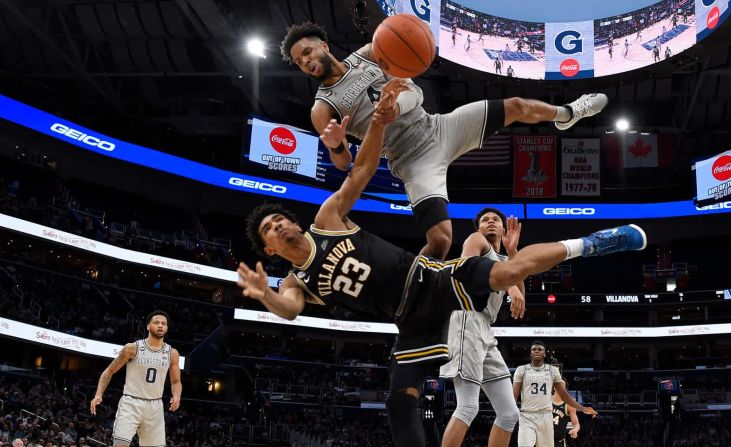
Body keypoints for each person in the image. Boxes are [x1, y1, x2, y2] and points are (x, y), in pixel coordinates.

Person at [237, 79, 646, 447]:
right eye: (270, 230)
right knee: (400, 404)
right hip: (409, 323)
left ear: (292, 220)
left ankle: (592, 243)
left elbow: (361, 170)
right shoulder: (295, 281)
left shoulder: (326, 220)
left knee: (506, 271)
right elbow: (289, 310)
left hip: (427, 280)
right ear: (269, 249)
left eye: (280, 219)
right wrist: (266, 297)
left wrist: (378, 121)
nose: (280, 226)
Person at [280, 22, 609, 261]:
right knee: (440, 240)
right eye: (299, 61)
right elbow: (342, 164)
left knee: (517, 106)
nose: (306, 62)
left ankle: (567, 113)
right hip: (410, 159)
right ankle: (414, 291)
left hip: (437, 127)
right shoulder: (321, 109)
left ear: (323, 44)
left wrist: (394, 107)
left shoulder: (370, 53)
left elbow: (413, 90)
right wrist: (337, 144)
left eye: (307, 51)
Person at [439, 208, 524, 447]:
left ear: (504, 229)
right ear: (478, 228)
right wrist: (509, 284)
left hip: (486, 328)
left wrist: (513, 253)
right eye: (485, 220)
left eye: (496, 219)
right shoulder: (476, 241)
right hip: (466, 318)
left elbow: (521, 297)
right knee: (467, 406)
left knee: (509, 414)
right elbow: (467, 269)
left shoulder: (505, 260)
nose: (490, 222)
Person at [90, 311, 182, 447]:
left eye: (164, 323)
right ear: (148, 327)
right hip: (131, 402)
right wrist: (98, 394)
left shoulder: (172, 353)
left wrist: (176, 395)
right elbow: (109, 371)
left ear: (167, 328)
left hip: (155, 406)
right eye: (156, 323)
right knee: (120, 445)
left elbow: (176, 382)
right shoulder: (132, 348)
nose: (160, 326)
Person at [514, 342, 597, 447]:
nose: (536, 351)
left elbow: (567, 402)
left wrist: (583, 410)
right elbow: (516, 396)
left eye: (539, 349)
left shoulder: (554, 373)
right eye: (534, 349)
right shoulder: (523, 371)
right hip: (530, 418)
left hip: (552, 429)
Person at [553, 379, 580, 447]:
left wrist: (576, 429)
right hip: (544, 440)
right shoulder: (545, 400)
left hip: (559, 441)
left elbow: (575, 422)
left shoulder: (569, 404)